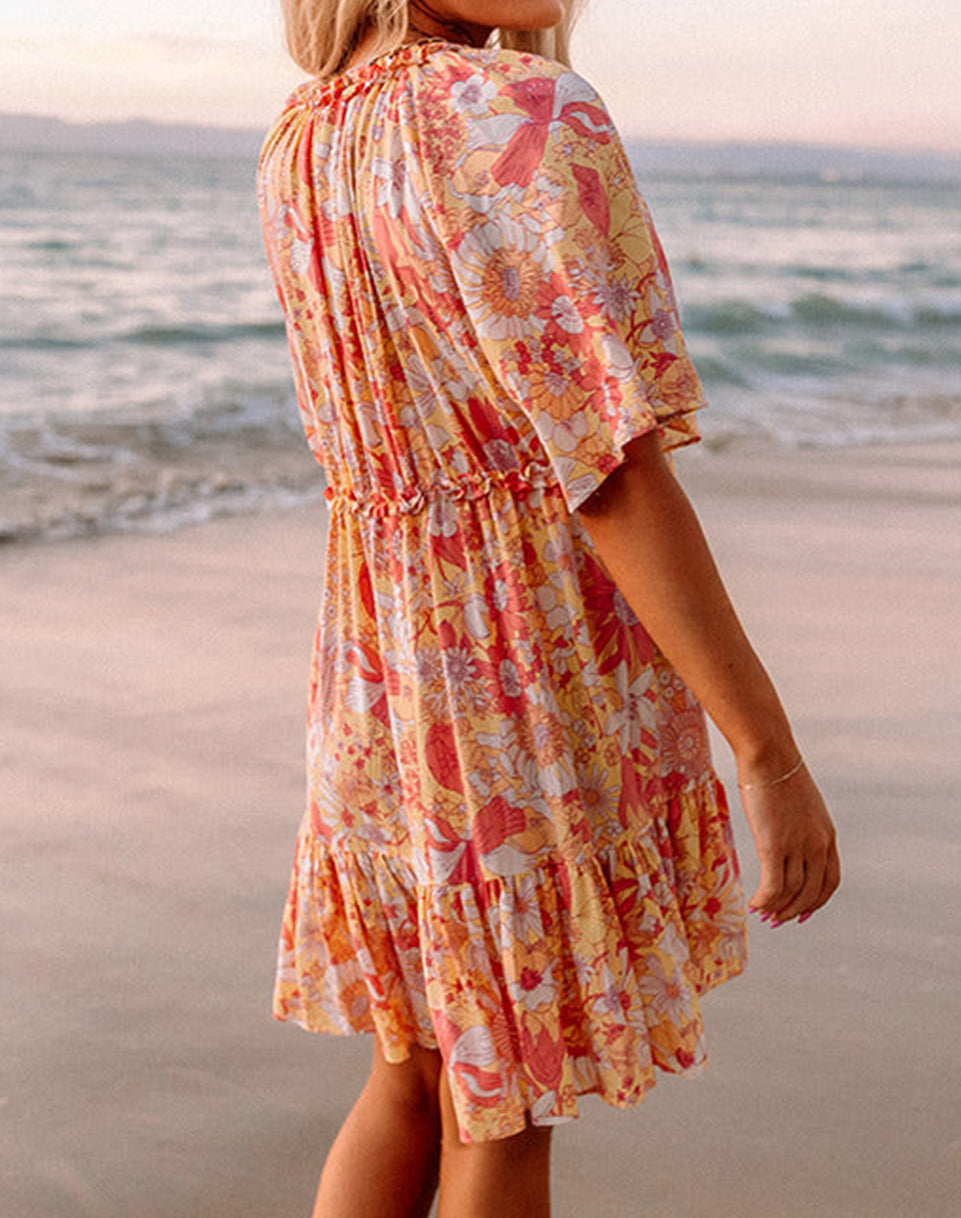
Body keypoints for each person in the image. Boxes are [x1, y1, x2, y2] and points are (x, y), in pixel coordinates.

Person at [256, 1, 841, 1214]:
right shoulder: (518, 109)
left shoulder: (297, 140)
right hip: (521, 673)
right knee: (506, 1099)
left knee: (413, 1076)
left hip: (379, 675)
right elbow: (610, 472)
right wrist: (766, 750)